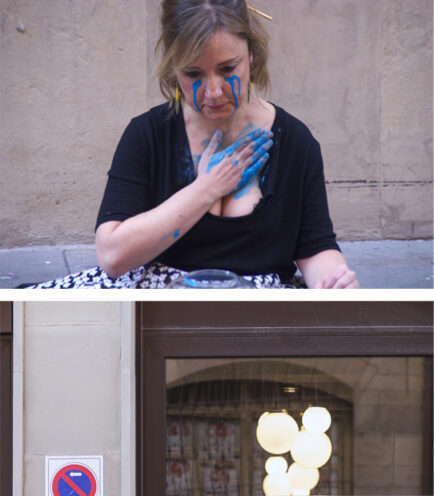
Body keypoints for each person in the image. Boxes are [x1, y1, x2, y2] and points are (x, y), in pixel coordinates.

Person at [29, 1, 359, 290]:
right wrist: (207, 189)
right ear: (173, 70)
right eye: (193, 73)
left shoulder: (296, 142)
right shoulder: (147, 135)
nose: (213, 91)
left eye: (228, 68)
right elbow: (113, 257)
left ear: (252, 55)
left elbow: (315, 249)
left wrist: (333, 282)